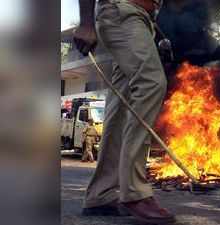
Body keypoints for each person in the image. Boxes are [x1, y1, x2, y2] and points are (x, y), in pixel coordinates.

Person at [73, 0, 176, 223]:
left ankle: (101, 194)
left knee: (121, 106)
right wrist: (86, 23)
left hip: (139, 19)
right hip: (122, 13)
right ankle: (135, 191)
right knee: (151, 83)